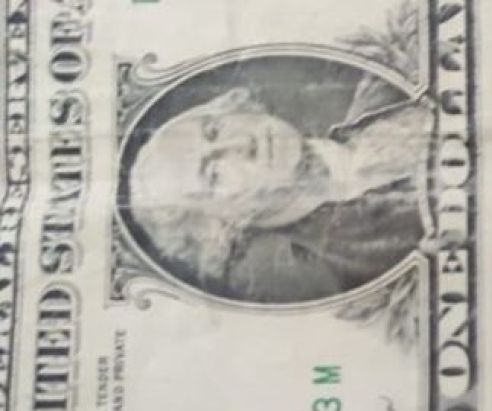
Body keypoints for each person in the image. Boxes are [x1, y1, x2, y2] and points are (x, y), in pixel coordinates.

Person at [127, 76, 430, 303]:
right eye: (214, 174)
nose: (241, 143)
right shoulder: (351, 269)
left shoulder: (380, 83)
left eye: (214, 130)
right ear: (218, 228)